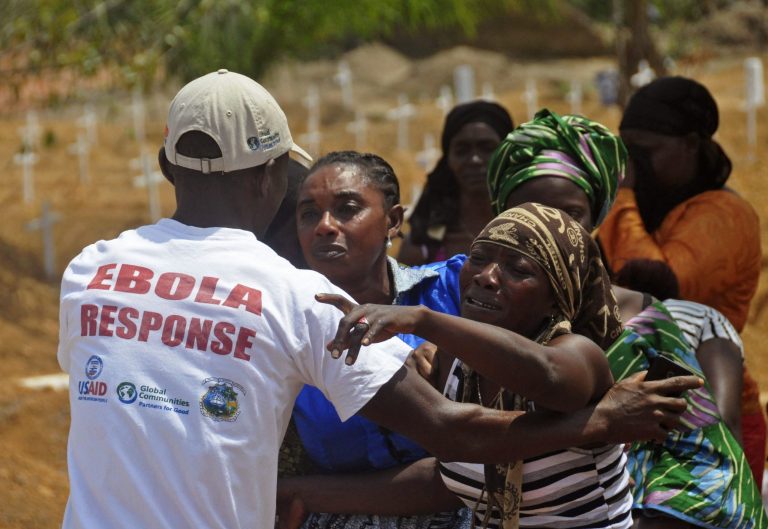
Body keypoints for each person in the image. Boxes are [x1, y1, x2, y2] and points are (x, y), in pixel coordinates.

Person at [56, 70, 697, 529]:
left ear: (168, 168)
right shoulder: (296, 295)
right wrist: (601, 424)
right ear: (274, 179)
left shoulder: (88, 272)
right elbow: (447, 431)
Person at [486, 109, 766, 527]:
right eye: (530, 212)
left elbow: (701, 467)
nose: (552, 230)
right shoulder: (475, 318)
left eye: (572, 214)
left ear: (596, 218)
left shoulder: (645, 327)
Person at [306, 203, 633, 528]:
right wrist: (295, 493)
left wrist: (423, 321)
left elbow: (549, 376)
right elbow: (445, 467)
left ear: (555, 297)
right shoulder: (452, 362)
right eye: (478, 258)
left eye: (518, 269)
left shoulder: (579, 357)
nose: (486, 277)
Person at [597, 76, 765, 487]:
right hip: (637, 411)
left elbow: (656, 283)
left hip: (716, 413)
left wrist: (621, 195)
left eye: (647, 151)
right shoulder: (649, 208)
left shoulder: (724, 214)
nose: (634, 164)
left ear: (691, 144)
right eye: (629, 150)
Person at [290, 150, 470, 528]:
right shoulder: (286, 328)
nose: (324, 226)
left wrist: (452, 345)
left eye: (346, 208)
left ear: (393, 220)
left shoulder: (454, 289)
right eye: (309, 214)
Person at [398, 101, 514, 265]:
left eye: (487, 148)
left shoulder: (532, 232)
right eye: (462, 150)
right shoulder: (423, 245)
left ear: (507, 153)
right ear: (448, 159)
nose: (474, 160)